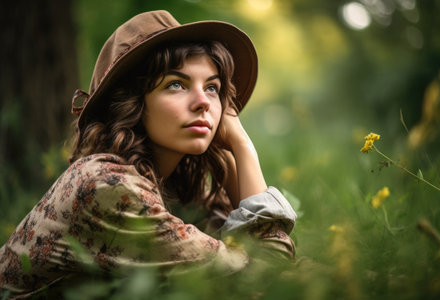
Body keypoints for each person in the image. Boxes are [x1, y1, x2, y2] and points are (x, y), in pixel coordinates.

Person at [0, 10, 297, 297]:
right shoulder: (108, 187)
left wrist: (230, 154)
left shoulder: (177, 184)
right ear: (132, 103)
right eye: (176, 84)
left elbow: (273, 269)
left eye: (212, 87)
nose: (203, 103)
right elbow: (267, 280)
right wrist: (243, 147)